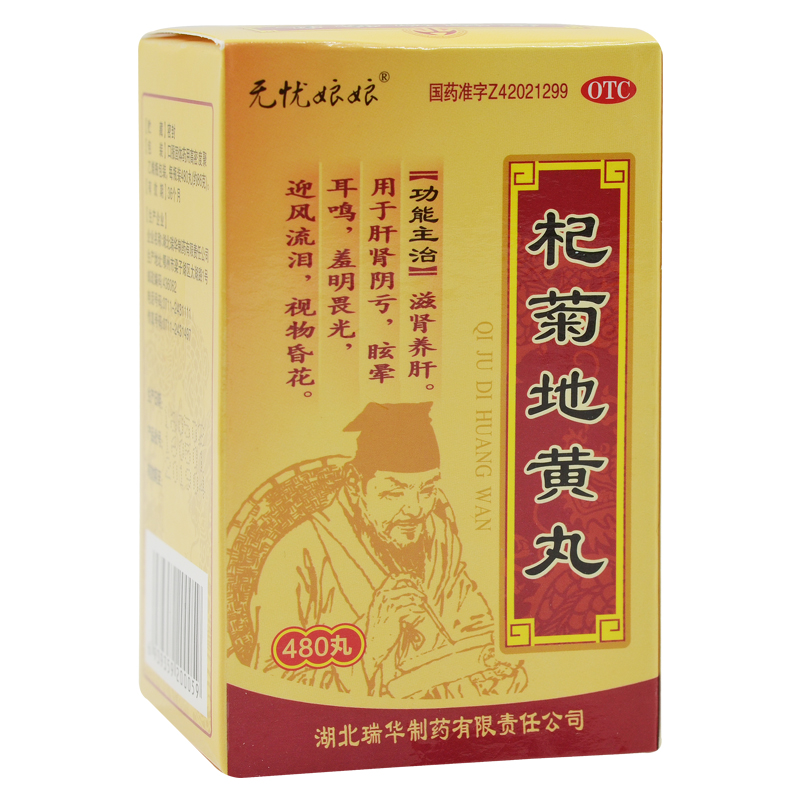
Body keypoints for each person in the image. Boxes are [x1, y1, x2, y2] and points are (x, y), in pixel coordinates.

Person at [250, 402, 525, 699]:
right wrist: (370, 641)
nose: (416, 509)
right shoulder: (299, 555)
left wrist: (490, 669)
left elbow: (471, 626)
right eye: (394, 493)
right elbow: (274, 684)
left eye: (427, 490)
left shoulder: (437, 536)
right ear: (355, 484)